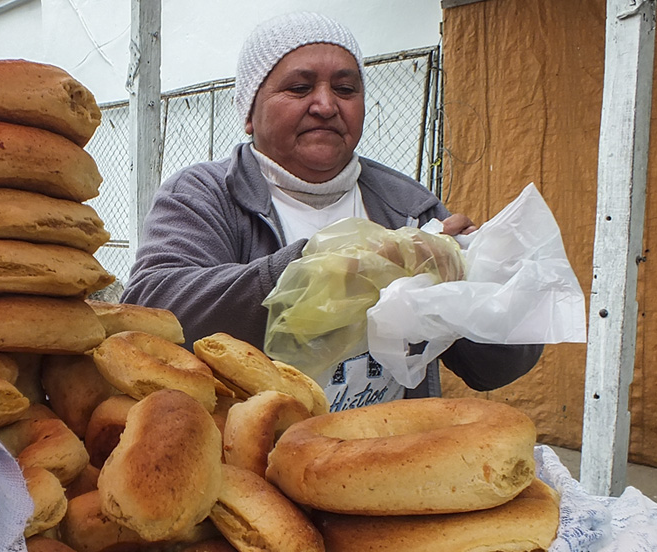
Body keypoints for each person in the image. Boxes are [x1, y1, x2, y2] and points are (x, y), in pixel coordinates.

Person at [120, 12, 542, 409]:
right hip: (253, 464)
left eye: (345, 89)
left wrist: (480, 285)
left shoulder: (408, 208)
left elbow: (495, 370)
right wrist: (317, 269)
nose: (325, 105)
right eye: (299, 88)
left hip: (377, 461)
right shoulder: (203, 195)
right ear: (249, 113)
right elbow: (151, 307)